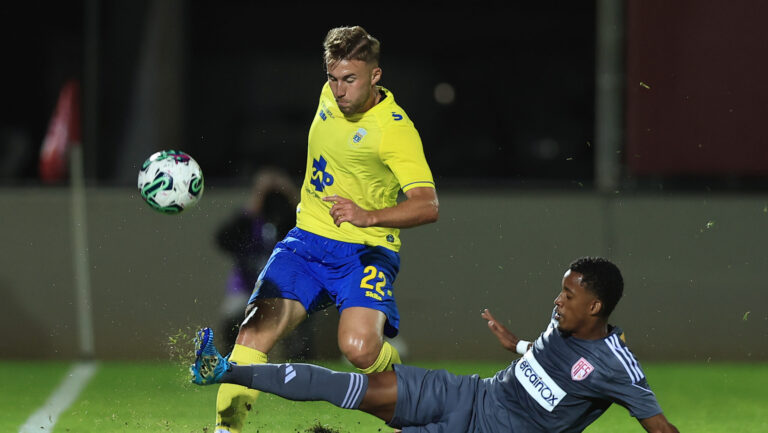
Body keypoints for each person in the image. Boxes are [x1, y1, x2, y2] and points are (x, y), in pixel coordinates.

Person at [212, 26, 439, 433]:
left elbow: (427, 205)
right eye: (332, 78)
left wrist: (369, 215)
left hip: (365, 250)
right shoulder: (328, 96)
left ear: (375, 76)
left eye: (350, 80)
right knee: (251, 335)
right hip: (306, 243)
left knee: (358, 348)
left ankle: (409, 392)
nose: (339, 90)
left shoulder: (395, 130)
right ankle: (226, 431)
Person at [191, 257, 679, 433]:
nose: (557, 301)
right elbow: (550, 364)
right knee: (354, 388)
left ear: (595, 308)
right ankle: (225, 370)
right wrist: (519, 345)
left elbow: (659, 427)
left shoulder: (617, 366)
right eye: (560, 290)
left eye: (568, 296)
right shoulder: (567, 326)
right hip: (470, 395)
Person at [214, 168, 299, 354]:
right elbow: (222, 240)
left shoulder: (288, 220)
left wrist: (291, 197)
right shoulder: (247, 221)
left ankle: (297, 363)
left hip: (283, 290)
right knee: (232, 317)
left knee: (299, 323)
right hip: (245, 287)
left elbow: (306, 231)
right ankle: (231, 360)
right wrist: (253, 206)